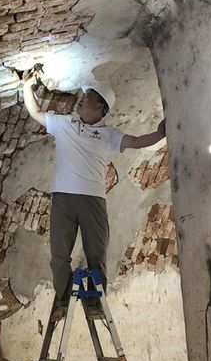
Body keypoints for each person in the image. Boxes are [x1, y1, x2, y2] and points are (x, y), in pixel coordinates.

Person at [22, 69, 167, 319]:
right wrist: (27, 87)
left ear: (100, 107)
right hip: (63, 197)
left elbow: (136, 141)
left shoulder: (109, 134)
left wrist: (160, 133)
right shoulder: (64, 124)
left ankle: (95, 303)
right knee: (59, 254)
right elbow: (35, 112)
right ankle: (63, 301)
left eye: (86, 97)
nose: (80, 100)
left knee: (96, 253)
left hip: (93, 199)